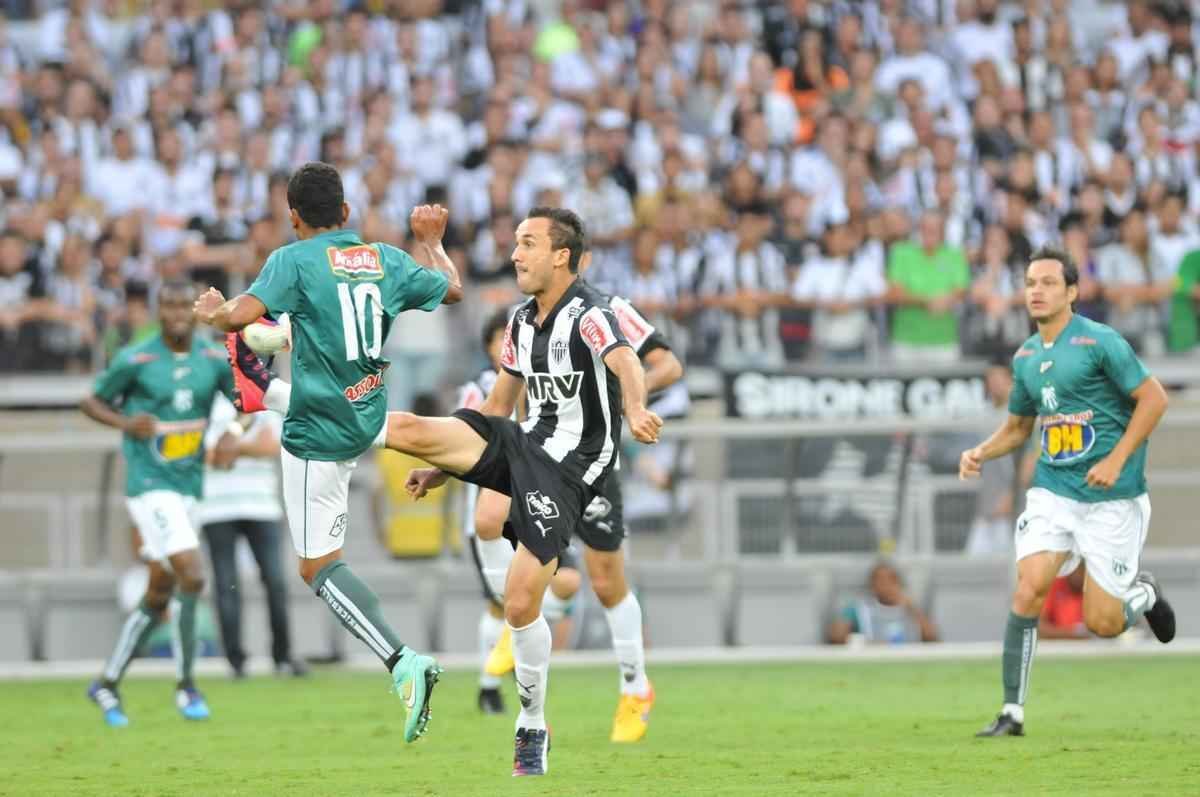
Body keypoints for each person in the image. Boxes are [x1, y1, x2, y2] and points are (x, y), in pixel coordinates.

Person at [210, 205, 662, 774]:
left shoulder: (590, 313)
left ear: (561, 255)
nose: (515, 254)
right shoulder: (522, 319)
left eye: (528, 243)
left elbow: (626, 363)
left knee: (521, 601)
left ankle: (531, 721)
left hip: (571, 467)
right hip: (523, 441)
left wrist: (638, 408)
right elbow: (497, 407)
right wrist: (446, 466)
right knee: (409, 432)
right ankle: (268, 393)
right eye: (516, 243)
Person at [192, 162, 463, 744]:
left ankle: (402, 662)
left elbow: (238, 316)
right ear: (345, 213)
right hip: (363, 413)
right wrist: (434, 244)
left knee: (316, 567)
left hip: (318, 433)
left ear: (293, 218)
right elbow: (454, 289)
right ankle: (263, 391)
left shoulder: (293, 259)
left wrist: (214, 310)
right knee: (294, 365)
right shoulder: (387, 258)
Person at [960, 245, 1176, 738]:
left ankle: (1143, 594)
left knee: (1102, 623)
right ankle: (1011, 712)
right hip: (1054, 493)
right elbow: (1018, 428)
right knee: (1030, 586)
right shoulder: (1026, 357)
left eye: (1048, 282)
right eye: (1030, 282)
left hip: (1112, 498)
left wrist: (1116, 458)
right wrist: (981, 452)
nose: (1036, 290)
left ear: (1072, 292)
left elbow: (1154, 399)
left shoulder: (1101, 342)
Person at [479, 247, 686, 743]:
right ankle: (516, 618)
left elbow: (666, 365)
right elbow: (505, 397)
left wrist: (623, 397)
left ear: (575, 259)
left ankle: (635, 686)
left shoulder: (609, 311)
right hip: (539, 456)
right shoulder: (527, 321)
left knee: (606, 581)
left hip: (592, 465)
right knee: (489, 515)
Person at [80, 279, 238, 727]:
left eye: (181, 308)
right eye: (165, 307)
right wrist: (127, 422)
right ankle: (187, 686)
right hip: (149, 485)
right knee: (192, 572)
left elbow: (244, 401)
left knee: (159, 590)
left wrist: (232, 432)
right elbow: (90, 401)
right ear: (157, 311)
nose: (174, 315)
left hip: (189, 487)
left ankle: (107, 683)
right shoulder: (137, 358)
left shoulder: (211, 358)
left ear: (194, 312)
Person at [456, 308, 582, 716]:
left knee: (566, 583)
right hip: (491, 509)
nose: (505, 347)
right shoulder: (478, 390)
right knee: (500, 604)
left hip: (535, 500)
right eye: (498, 340)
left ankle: (511, 654)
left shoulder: (539, 381)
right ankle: (488, 686)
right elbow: (463, 443)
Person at [197, 392, 306, 678]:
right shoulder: (206, 402)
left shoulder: (263, 398)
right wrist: (246, 447)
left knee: (276, 581)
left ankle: (282, 656)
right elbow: (203, 454)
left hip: (262, 505)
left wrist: (231, 446)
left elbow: (273, 446)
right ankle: (236, 661)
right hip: (216, 506)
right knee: (226, 585)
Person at [826, 561, 939, 645]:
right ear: (872, 585)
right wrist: (865, 643)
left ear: (898, 583)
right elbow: (836, 637)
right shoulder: (859, 608)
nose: (885, 586)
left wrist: (912, 609)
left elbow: (932, 637)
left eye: (890, 581)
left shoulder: (911, 609)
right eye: (879, 581)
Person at [1039, 563, 1089, 640]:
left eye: (1081, 570)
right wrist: (1073, 633)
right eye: (1076, 569)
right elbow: (1040, 627)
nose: (1078, 574)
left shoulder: (1091, 590)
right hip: (1058, 645)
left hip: (1090, 646)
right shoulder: (1054, 585)